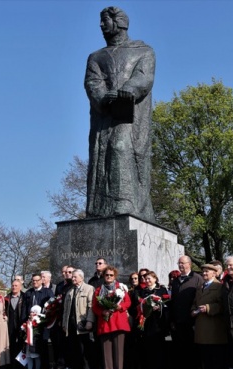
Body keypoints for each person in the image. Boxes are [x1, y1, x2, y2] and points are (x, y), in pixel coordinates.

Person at [85, 6, 156, 221]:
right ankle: (100, 208)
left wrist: (128, 90)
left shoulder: (143, 51)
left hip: (130, 116)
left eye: (105, 20)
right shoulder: (96, 57)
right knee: (102, 156)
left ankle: (126, 204)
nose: (101, 25)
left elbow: (144, 77)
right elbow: (92, 82)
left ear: (119, 22)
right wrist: (103, 97)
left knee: (121, 148)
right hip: (104, 117)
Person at [92, 265, 131, 369]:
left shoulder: (121, 288)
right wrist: (102, 311)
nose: (109, 277)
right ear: (103, 276)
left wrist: (120, 306)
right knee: (106, 349)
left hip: (118, 321)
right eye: (107, 275)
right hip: (105, 321)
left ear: (115, 276)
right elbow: (94, 306)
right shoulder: (99, 290)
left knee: (118, 349)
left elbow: (128, 302)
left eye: (111, 275)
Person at [191, 264, 227, 369]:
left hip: (214, 326)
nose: (204, 274)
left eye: (207, 272)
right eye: (203, 272)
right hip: (201, 324)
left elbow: (223, 305)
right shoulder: (201, 287)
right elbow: (195, 302)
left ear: (214, 273)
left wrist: (208, 308)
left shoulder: (219, 286)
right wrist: (193, 310)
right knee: (205, 353)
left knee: (215, 354)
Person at [170, 255, 203, 369]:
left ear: (189, 264)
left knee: (191, 347)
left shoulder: (197, 278)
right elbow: (173, 301)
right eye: (179, 263)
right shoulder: (176, 281)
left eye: (183, 263)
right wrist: (172, 319)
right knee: (179, 346)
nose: (180, 265)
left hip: (191, 319)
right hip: (178, 319)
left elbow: (200, 298)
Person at [133, 271, 169, 369]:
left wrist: (159, 307)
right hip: (146, 322)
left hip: (157, 322)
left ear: (155, 279)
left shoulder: (161, 290)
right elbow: (139, 305)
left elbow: (167, 303)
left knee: (158, 347)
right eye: (146, 279)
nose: (147, 281)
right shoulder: (143, 292)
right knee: (147, 347)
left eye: (149, 279)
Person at [62, 269, 95, 369]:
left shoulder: (89, 289)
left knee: (84, 350)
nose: (73, 278)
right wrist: (64, 324)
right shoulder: (70, 291)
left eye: (75, 277)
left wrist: (90, 321)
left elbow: (91, 307)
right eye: (73, 277)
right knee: (74, 350)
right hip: (71, 326)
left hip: (83, 324)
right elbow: (66, 310)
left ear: (81, 277)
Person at [22, 272, 53, 369]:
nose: (35, 282)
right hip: (30, 325)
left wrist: (43, 317)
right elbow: (24, 308)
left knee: (42, 346)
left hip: (43, 325)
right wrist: (25, 321)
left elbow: (51, 307)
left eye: (37, 280)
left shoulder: (48, 292)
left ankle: (43, 368)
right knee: (31, 348)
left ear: (41, 281)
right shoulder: (28, 293)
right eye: (33, 280)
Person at [4, 279, 25, 369]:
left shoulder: (24, 297)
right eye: (12, 285)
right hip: (10, 326)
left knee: (21, 346)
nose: (14, 287)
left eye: (16, 285)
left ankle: (20, 367)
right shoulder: (6, 298)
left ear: (20, 287)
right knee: (10, 346)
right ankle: (11, 366)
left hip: (21, 325)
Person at [24, 305, 43, 369]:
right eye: (31, 312)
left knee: (36, 356)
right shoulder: (28, 320)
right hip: (28, 341)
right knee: (28, 357)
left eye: (33, 312)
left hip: (34, 341)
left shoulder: (38, 320)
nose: (31, 313)